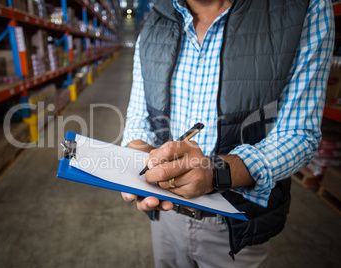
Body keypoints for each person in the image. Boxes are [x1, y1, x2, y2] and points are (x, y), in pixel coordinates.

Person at [121, 0, 334, 267]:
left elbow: (299, 132)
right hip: (164, 214)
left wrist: (217, 173)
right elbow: (139, 116)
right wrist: (139, 153)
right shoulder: (155, 20)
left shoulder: (301, 8)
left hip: (235, 224)